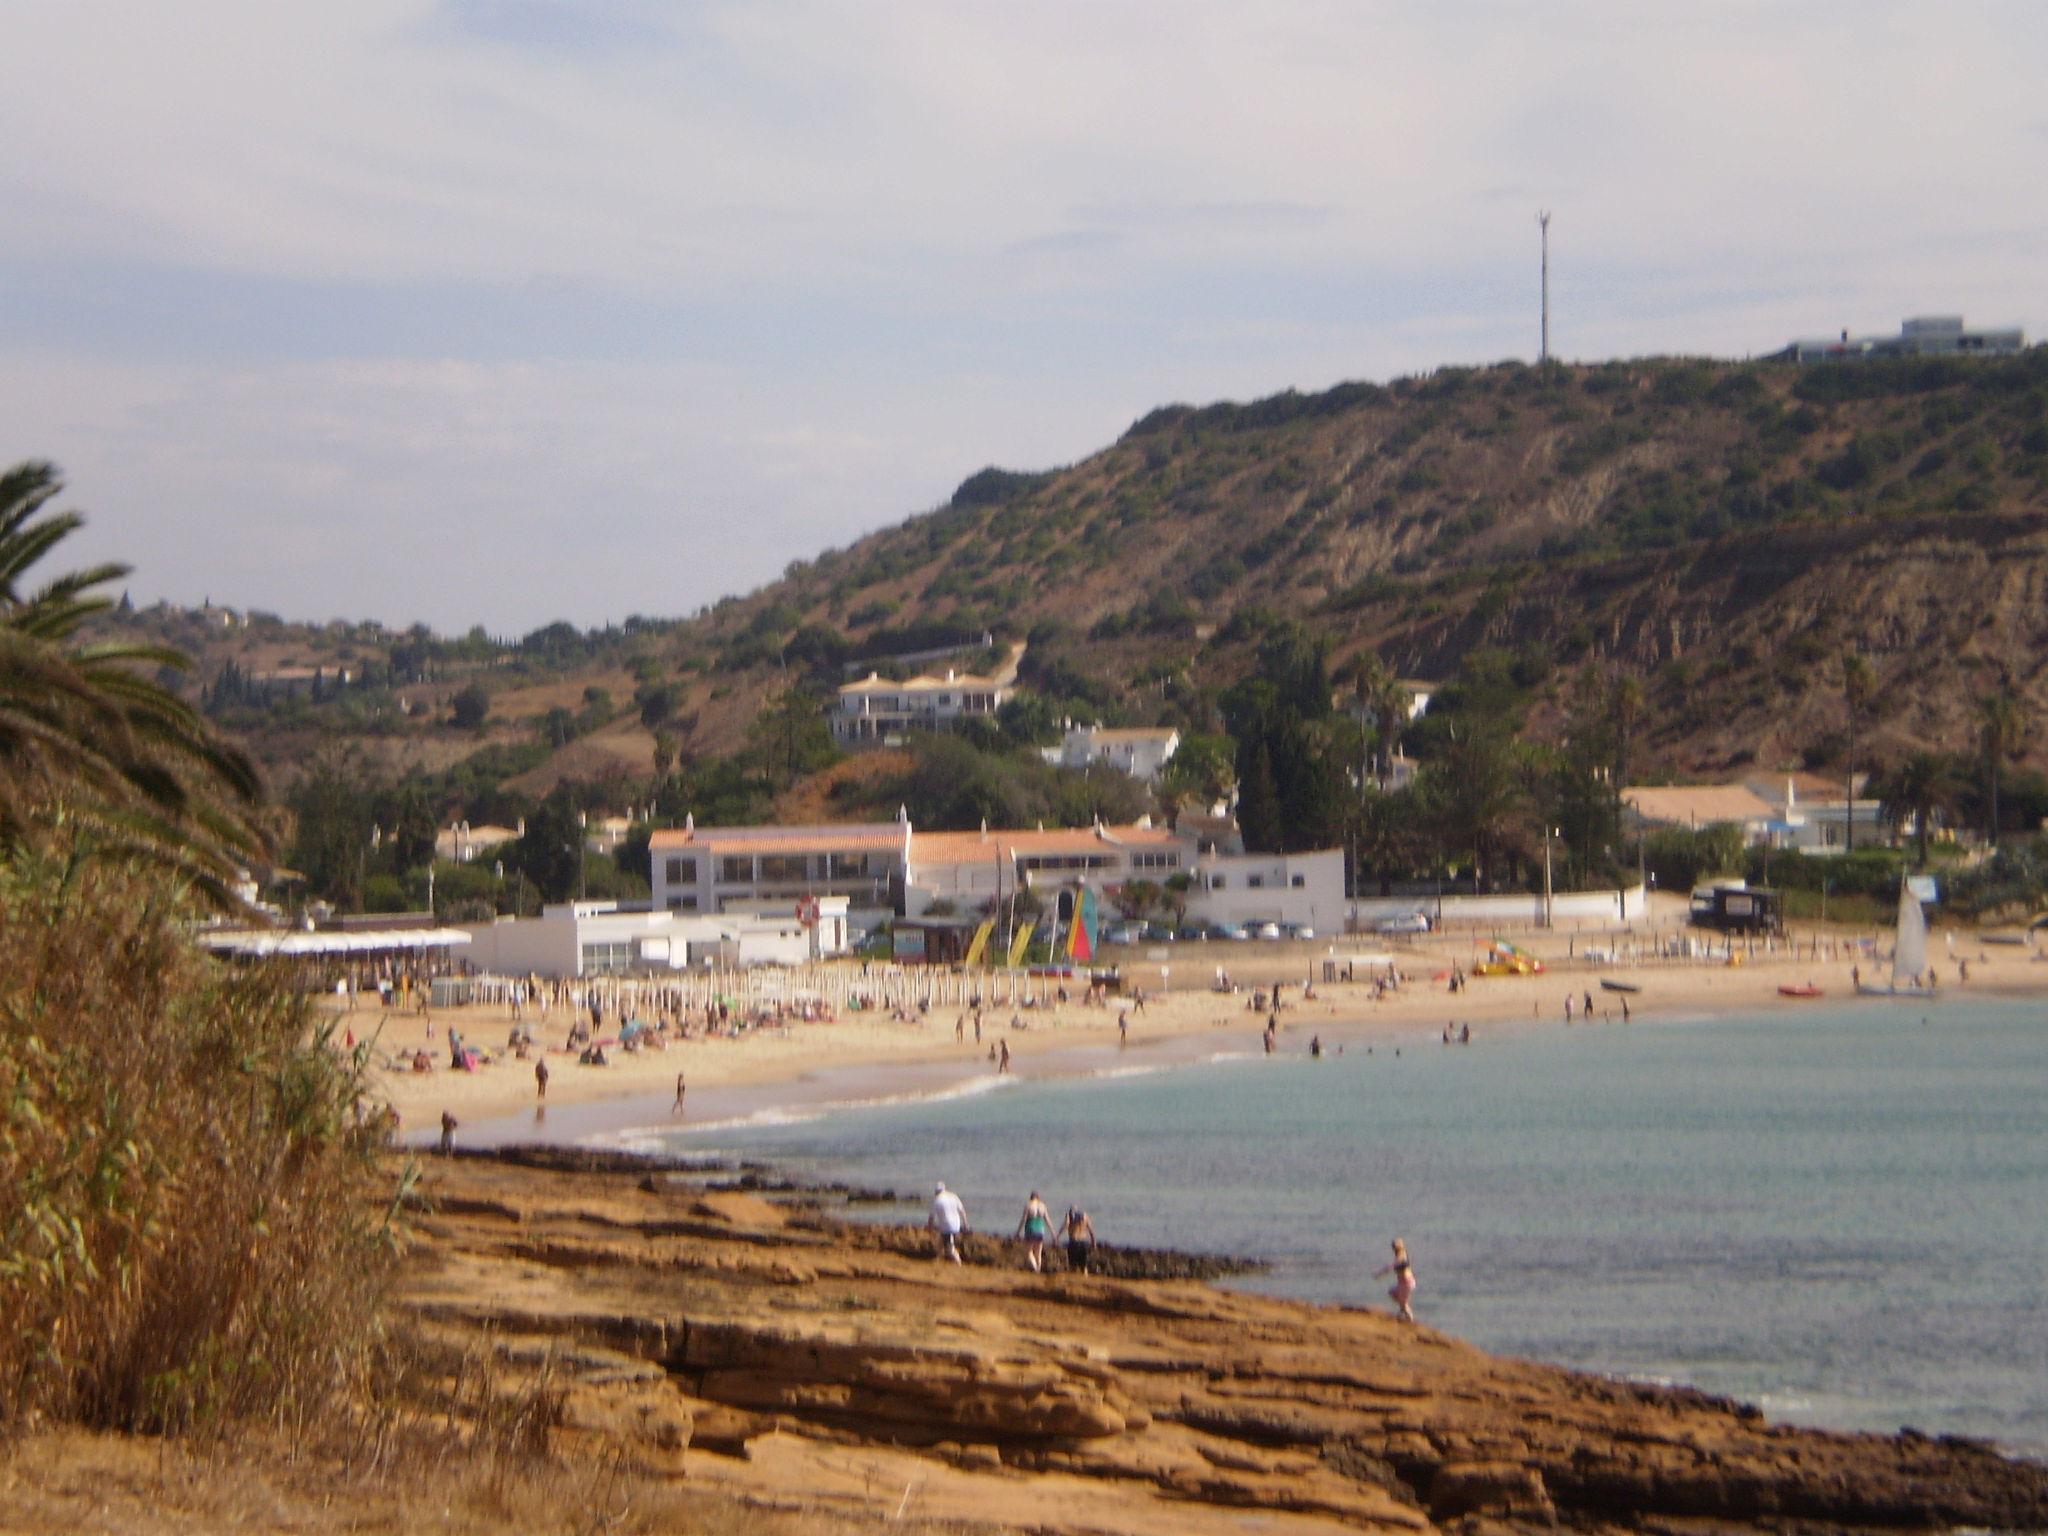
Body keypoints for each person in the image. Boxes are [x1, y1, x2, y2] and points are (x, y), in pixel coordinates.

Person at [1375, 1238, 1417, 1323]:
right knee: (1392, 1293)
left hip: (1406, 1282)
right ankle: (1403, 1311)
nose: (1393, 1248)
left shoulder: (1402, 1254)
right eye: (1393, 1246)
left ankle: (1410, 1319)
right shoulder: (1399, 1254)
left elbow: (1394, 1264)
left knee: (1403, 1304)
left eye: (1394, 1246)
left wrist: (1380, 1273)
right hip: (1403, 1282)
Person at [928, 1182, 968, 1264]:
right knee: (942, 1242)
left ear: (936, 1191)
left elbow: (931, 1217)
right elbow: (962, 1211)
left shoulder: (937, 1200)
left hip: (947, 1227)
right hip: (956, 1225)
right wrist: (965, 1223)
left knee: (950, 1249)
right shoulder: (953, 1196)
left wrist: (930, 1228)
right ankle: (936, 1260)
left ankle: (958, 1263)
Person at [1015, 1191, 1054, 1272]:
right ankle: (1038, 1269)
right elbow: (1047, 1220)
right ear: (1038, 1197)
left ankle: (1035, 1268)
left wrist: (1018, 1232)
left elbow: (1023, 1219)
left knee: (1028, 1252)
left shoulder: (1028, 1205)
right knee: (1038, 1253)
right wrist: (1053, 1233)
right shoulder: (1043, 1206)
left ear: (1031, 1197)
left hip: (1030, 1229)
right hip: (1040, 1230)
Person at [1060, 1206, 1097, 1274]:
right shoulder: (1085, 1217)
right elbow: (1091, 1230)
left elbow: (1066, 1224)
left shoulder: (1069, 1216)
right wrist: (1093, 1242)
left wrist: (1058, 1236)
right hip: (1084, 1242)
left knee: (1073, 1266)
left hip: (1074, 1242)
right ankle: (1085, 1280)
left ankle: (1074, 1281)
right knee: (1084, 1266)